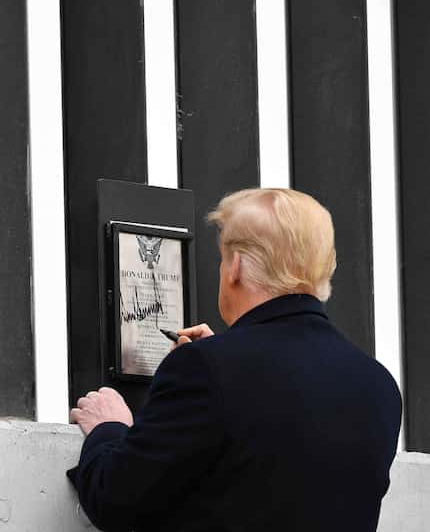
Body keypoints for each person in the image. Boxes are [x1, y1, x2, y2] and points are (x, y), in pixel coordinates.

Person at [68, 188, 402, 532]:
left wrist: (109, 427)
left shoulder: (208, 370)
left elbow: (114, 501)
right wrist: (217, 371)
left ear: (236, 267)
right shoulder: (379, 385)